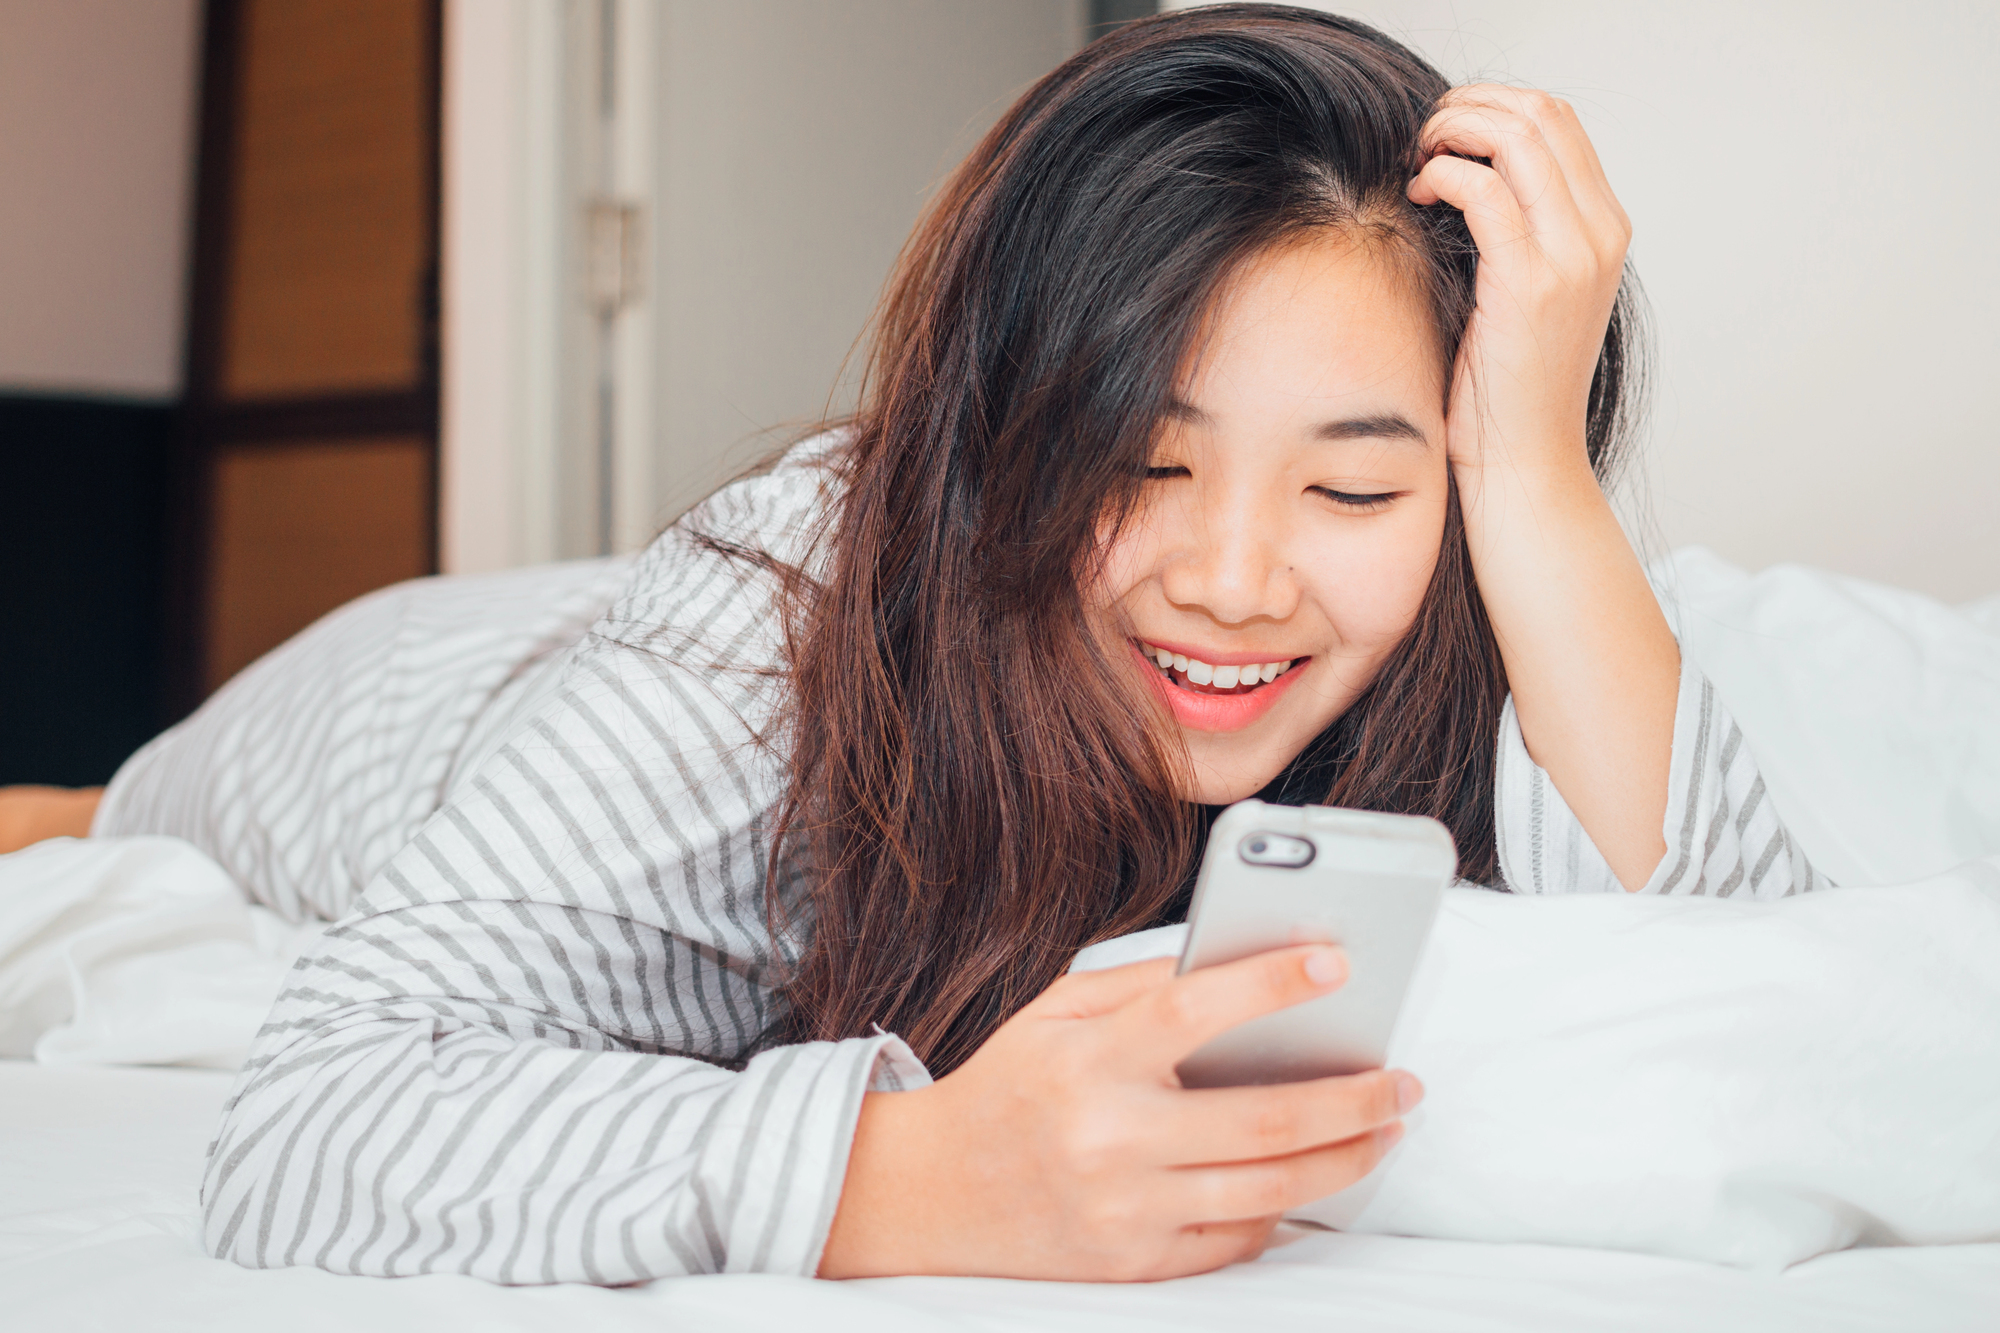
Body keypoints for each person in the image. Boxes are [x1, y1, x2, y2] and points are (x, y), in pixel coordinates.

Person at [7, 4, 1827, 1285]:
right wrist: (910, 1173)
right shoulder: (772, 611)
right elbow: (313, 1116)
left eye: (1357, 492)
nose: (1239, 580)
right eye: (1138, 462)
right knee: (103, 827)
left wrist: (1535, 470)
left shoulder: (1490, 568)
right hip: (386, 712)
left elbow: (1761, 1013)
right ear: (993, 440)